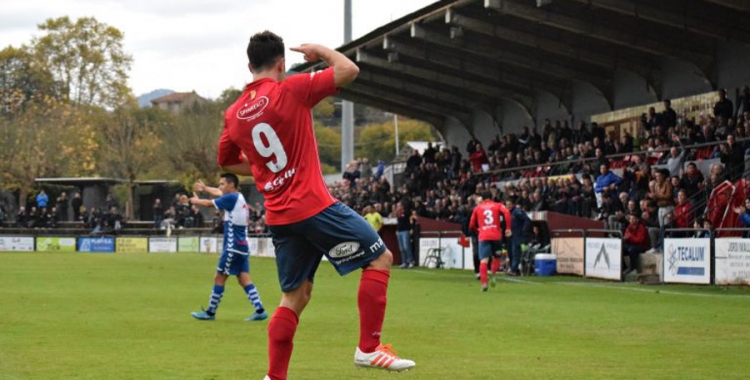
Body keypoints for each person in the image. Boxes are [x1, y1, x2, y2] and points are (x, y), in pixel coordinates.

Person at [216, 32, 414, 380]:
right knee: (380, 258)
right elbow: (348, 70)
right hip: (312, 205)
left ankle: (274, 377)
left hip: (279, 217)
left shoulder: (233, 114)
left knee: (295, 295)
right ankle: (368, 349)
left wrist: (261, 169)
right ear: (280, 63)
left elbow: (227, 161)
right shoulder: (290, 89)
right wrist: (319, 51)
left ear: (249, 66)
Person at [188, 174, 267, 322]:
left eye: (222, 184)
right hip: (243, 246)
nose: (220, 187)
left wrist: (195, 201)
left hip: (232, 247)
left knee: (219, 277)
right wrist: (205, 188)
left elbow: (209, 203)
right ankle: (260, 310)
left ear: (231, 185)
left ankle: (210, 313)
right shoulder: (239, 197)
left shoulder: (230, 199)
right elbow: (218, 193)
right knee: (244, 279)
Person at [469, 191, 511, 291]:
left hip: (483, 236)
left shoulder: (477, 208)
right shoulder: (498, 205)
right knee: (496, 257)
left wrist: (478, 230)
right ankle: (492, 274)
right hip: (496, 236)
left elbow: (471, 225)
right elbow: (507, 212)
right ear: (491, 197)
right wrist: (508, 228)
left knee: (483, 260)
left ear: (482, 199)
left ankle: (484, 283)